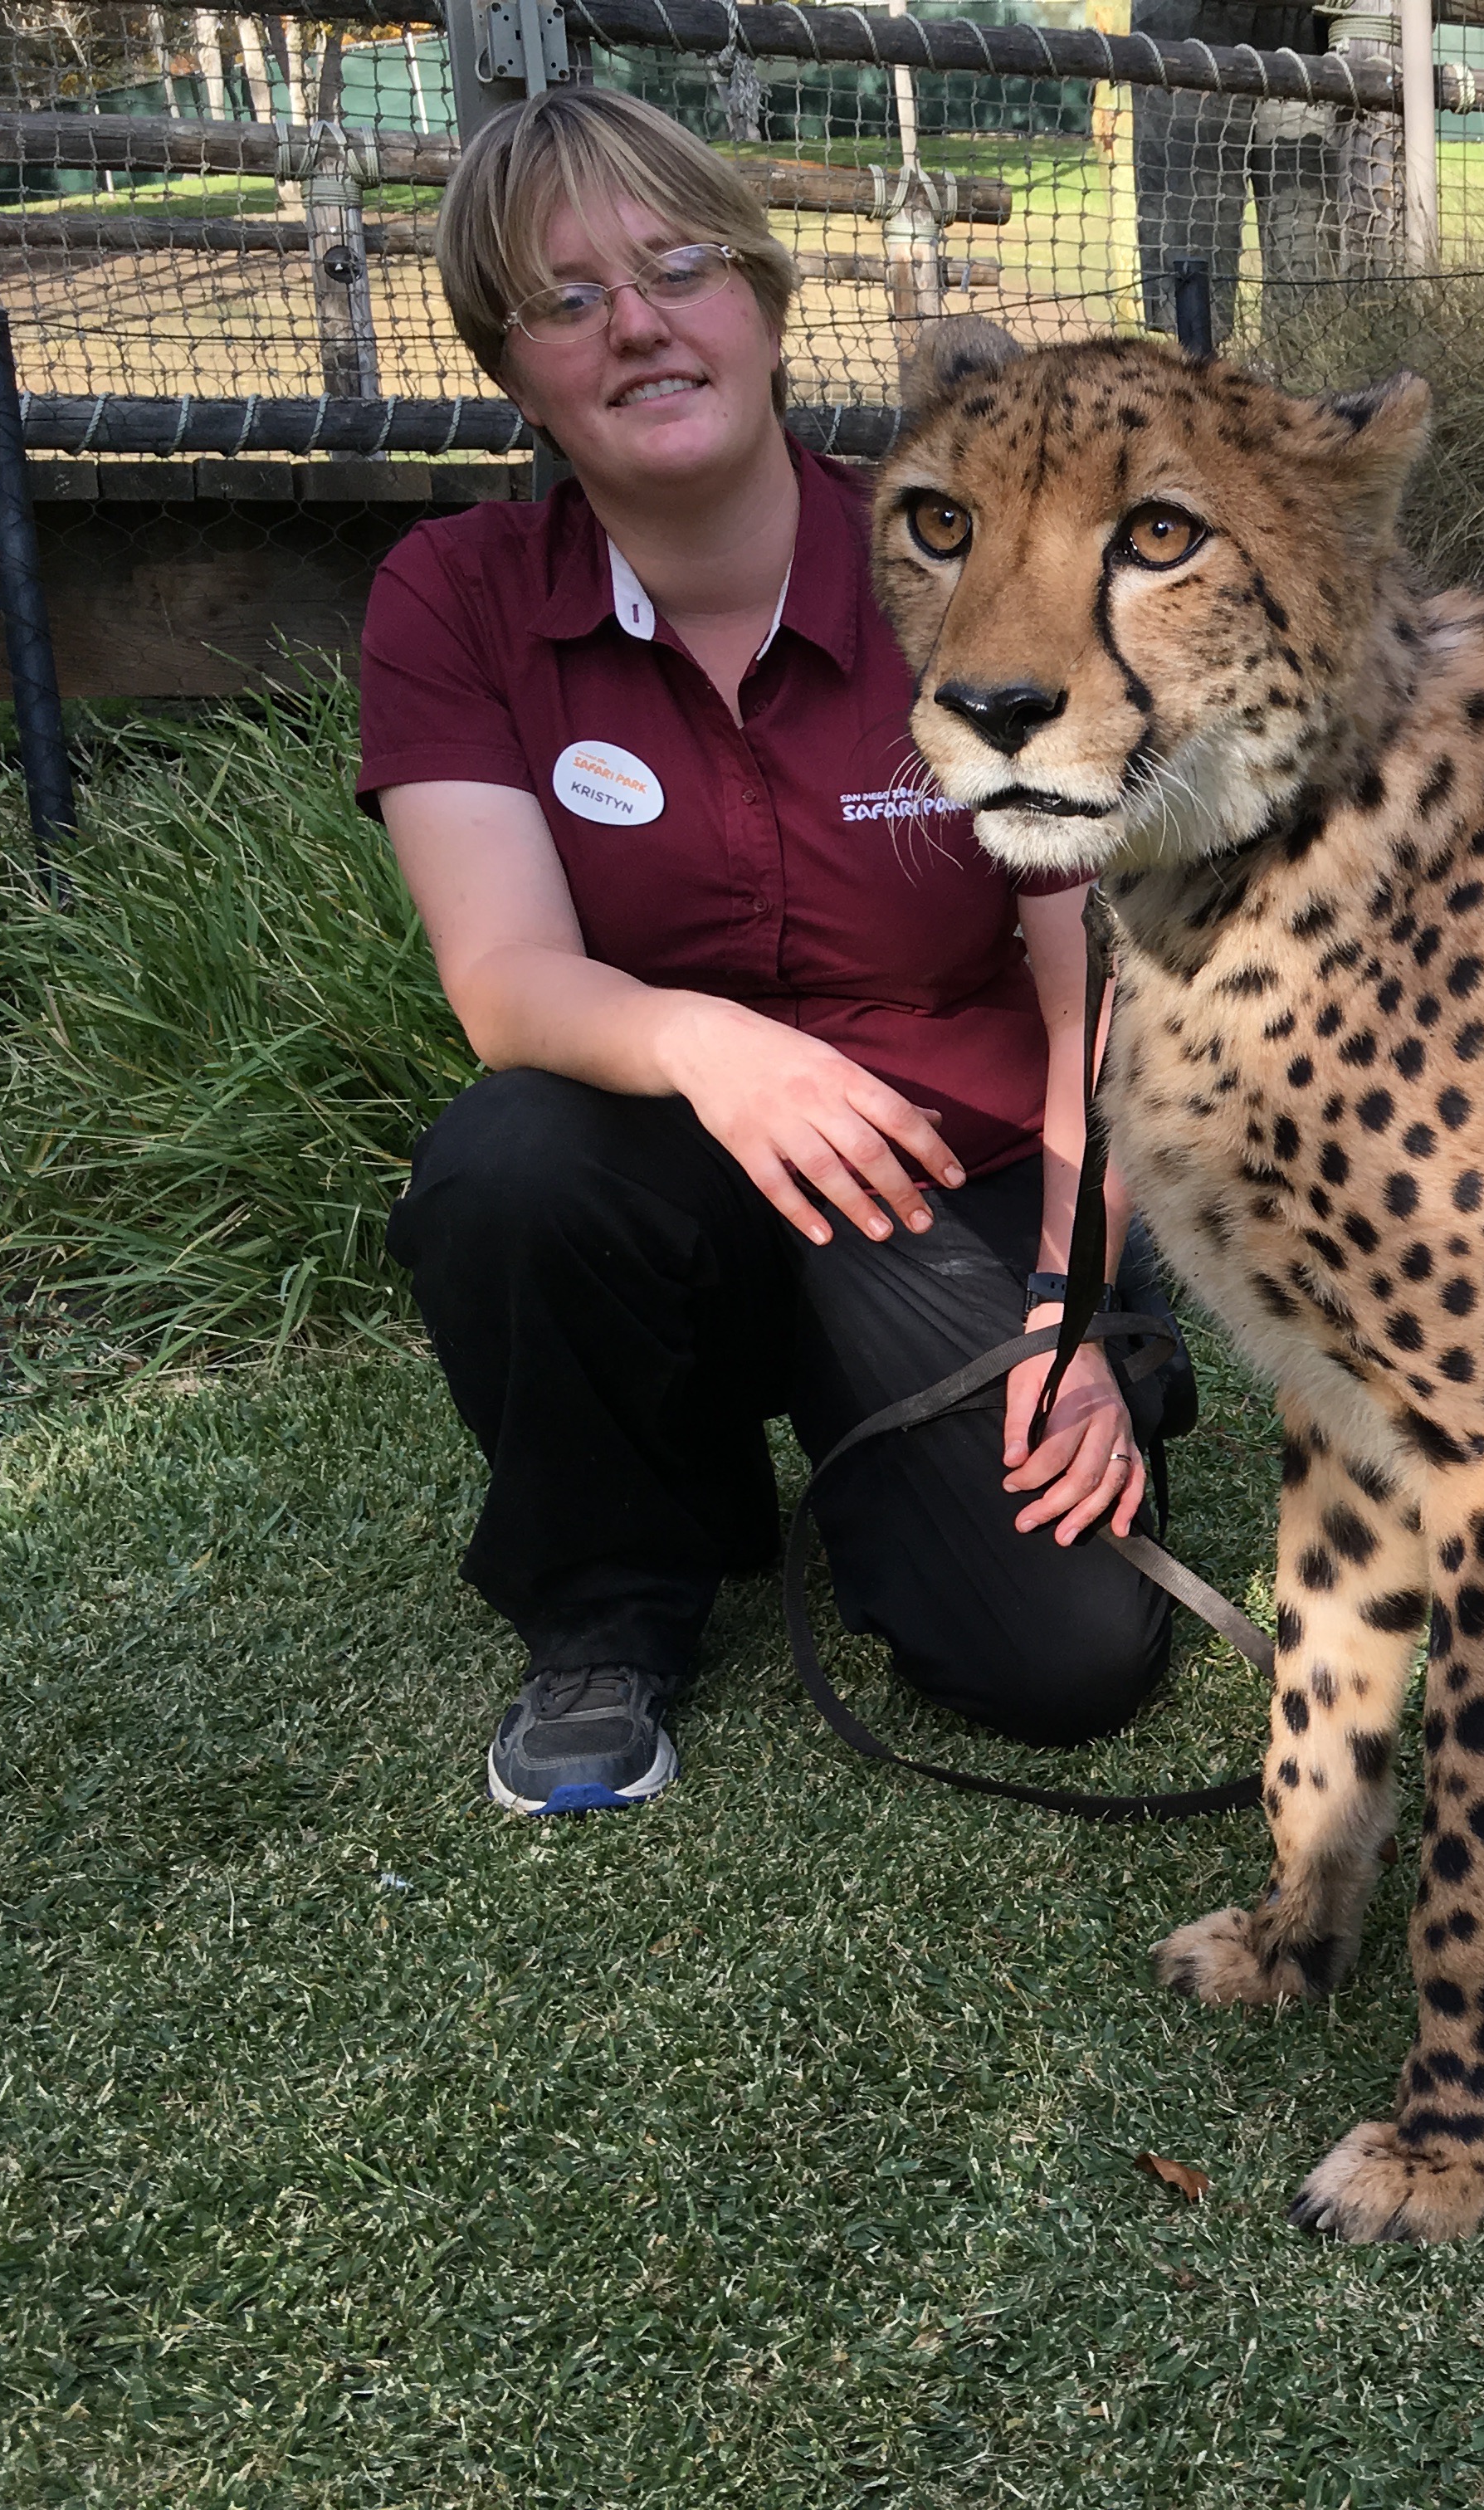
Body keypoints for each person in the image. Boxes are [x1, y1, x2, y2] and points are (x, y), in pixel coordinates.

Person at [359, 86, 1191, 1817]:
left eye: (678, 265)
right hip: (658, 1175)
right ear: (510, 371)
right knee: (505, 1160)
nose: (638, 323)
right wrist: (714, 1048)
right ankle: (606, 1605)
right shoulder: (455, 598)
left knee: (1071, 1658)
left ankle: (921, 1420)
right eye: (567, 296)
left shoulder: (965, 567)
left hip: (957, 1179)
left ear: (763, 299)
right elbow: (505, 978)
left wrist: (1071, 1306)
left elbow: (1093, 997)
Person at [1130, 0, 1342, 341]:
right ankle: (1197, 381)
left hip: (1307, 21)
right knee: (1191, 252)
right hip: (1190, 23)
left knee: (1307, 250)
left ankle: (1305, 378)